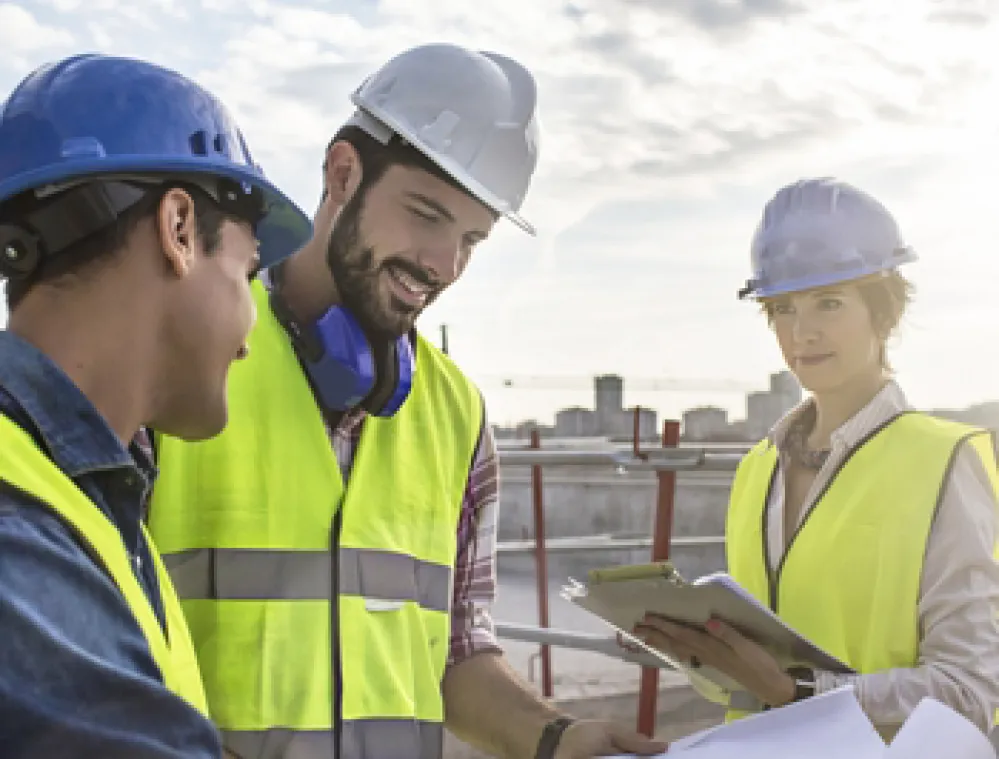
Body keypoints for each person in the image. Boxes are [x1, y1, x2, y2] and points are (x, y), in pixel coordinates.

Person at [145, 43, 667, 759]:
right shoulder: (182, 358)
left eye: (471, 240)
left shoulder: (456, 415)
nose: (443, 264)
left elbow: (455, 652)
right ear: (340, 173)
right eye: (426, 214)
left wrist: (555, 737)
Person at [0, 54, 311, 758]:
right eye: (248, 271)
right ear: (177, 229)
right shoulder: (18, 530)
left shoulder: (87, 497)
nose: (251, 326)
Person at [635, 177, 999, 740]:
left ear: (885, 313)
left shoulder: (945, 461)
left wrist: (799, 690)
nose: (802, 332)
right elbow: (743, 682)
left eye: (829, 302)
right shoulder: (758, 470)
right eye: (782, 308)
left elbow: (970, 690)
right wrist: (696, 648)